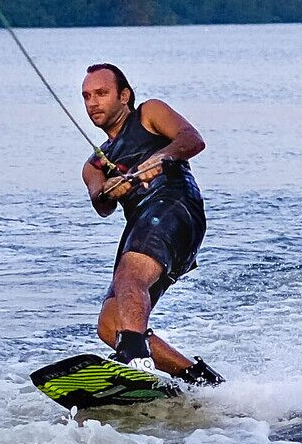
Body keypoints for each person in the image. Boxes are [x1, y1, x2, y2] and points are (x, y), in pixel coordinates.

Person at [81, 62, 218, 384]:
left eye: (101, 93)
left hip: (175, 207)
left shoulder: (149, 113)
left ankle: (135, 360)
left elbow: (192, 140)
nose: (92, 103)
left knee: (131, 277)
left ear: (124, 95)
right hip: (141, 224)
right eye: (86, 96)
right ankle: (199, 379)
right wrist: (110, 190)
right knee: (110, 323)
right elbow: (101, 205)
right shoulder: (94, 164)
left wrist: (161, 157)